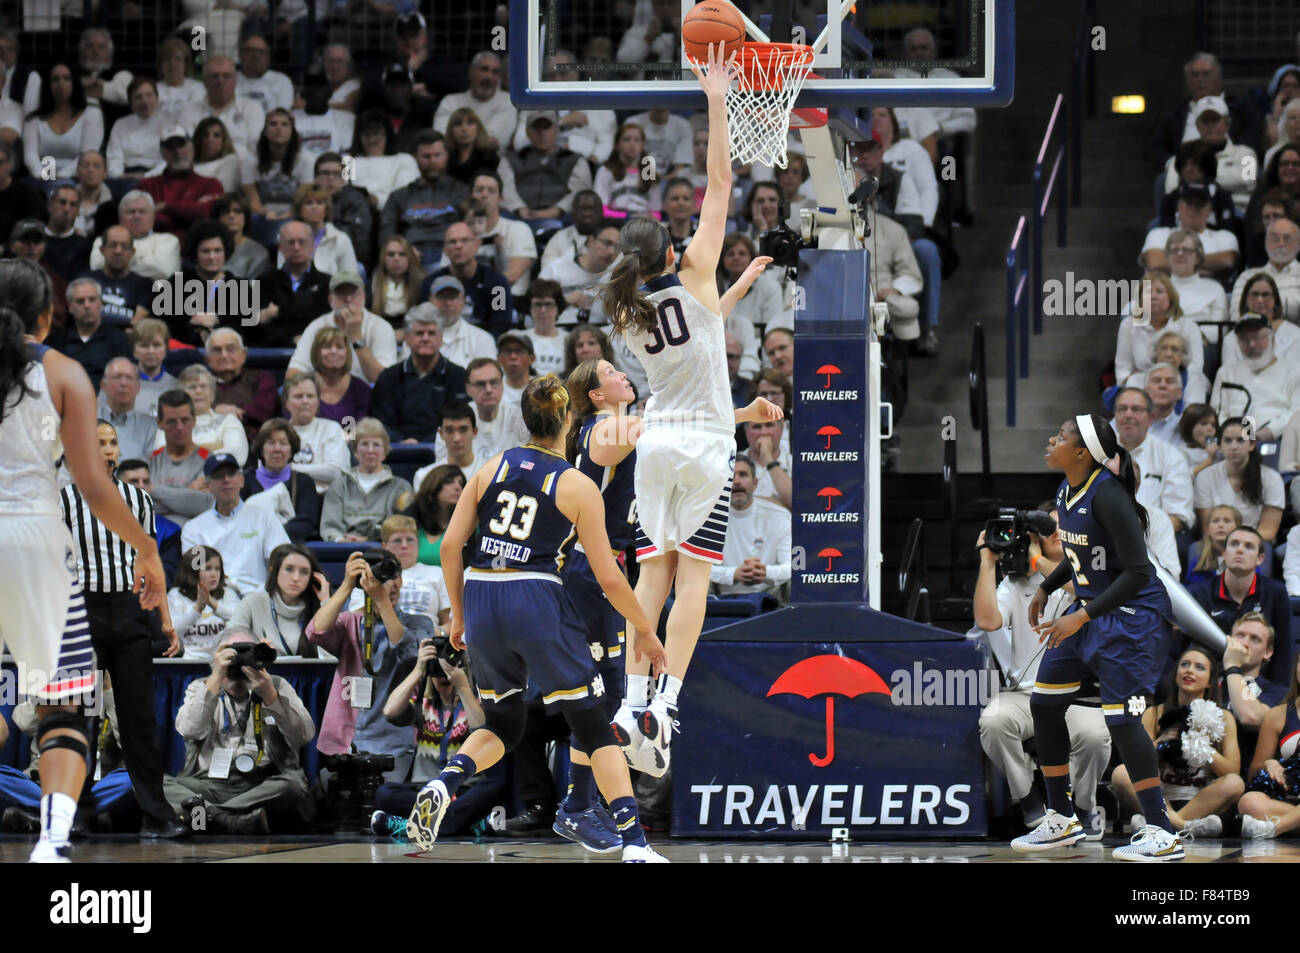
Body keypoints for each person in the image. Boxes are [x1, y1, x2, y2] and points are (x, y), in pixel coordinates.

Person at [602, 49, 785, 778]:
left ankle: (628, 699)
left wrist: (739, 284)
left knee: (652, 576)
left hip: (658, 446)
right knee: (695, 583)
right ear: (673, 250)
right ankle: (667, 697)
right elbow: (719, 179)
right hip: (709, 449)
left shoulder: (624, 310)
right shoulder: (695, 272)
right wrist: (716, 96)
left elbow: (698, 325)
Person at [405, 375, 667, 862]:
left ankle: (447, 780)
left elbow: (448, 548)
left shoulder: (488, 468)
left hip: (482, 594)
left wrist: (458, 618)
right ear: (568, 421)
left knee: (504, 725)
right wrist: (647, 632)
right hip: (535, 596)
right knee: (592, 726)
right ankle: (635, 844)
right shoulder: (575, 483)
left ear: (526, 419)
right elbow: (611, 580)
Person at [0, 257, 166, 861]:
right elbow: (96, 488)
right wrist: (146, 548)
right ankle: (51, 839)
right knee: (61, 705)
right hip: (39, 542)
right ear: (46, 315)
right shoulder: (65, 370)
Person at [1009, 415, 1184, 860]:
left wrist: (1079, 616)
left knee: (1123, 720)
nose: (1052, 439)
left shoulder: (1108, 495)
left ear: (1083, 452)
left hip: (1132, 618)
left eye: (1061, 436)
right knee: (1045, 703)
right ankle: (1061, 818)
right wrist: (1047, 589)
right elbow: (1079, 552)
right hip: (1090, 613)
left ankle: (1161, 831)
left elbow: (1139, 572)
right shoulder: (1068, 491)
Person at [61, 417, 185, 839]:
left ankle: (157, 814)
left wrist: (165, 621)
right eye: (99, 442)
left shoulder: (138, 500)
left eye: (112, 442)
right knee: (81, 717)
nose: (109, 449)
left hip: (130, 611)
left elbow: (150, 567)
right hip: (80, 613)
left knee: (138, 718)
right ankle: (75, 812)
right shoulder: (62, 502)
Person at [973, 506, 1111, 834]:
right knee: (993, 721)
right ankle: (1028, 798)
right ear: (1035, 536)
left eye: (1063, 524)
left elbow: (1087, 591)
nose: (1057, 529)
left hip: (1079, 695)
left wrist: (1039, 562)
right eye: (1050, 525)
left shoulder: (1093, 570)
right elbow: (988, 621)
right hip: (1026, 695)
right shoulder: (1018, 581)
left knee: (1095, 736)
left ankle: (1083, 805)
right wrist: (987, 563)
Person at [164, 625, 317, 834]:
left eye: (245, 655)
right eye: (231, 656)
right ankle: (234, 821)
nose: (237, 666)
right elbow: (190, 729)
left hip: (261, 785)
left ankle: (210, 816)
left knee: (294, 785)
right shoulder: (201, 686)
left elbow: (304, 735)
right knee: (155, 786)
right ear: (216, 659)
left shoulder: (276, 686)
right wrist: (216, 678)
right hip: (209, 784)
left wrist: (270, 696)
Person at [307, 550, 424, 781]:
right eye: (373, 578)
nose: (383, 585)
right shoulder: (349, 621)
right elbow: (316, 632)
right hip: (344, 740)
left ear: (400, 580)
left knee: (384, 800)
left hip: (392, 740)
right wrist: (347, 585)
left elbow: (408, 653)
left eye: (389, 578)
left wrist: (381, 601)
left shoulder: (418, 623)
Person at [369, 636, 502, 839]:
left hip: (464, 789)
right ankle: (464, 826)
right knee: (385, 792)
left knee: (493, 787)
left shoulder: (475, 703)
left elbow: (481, 729)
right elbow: (389, 711)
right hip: (425, 791)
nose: (443, 677)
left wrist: (464, 688)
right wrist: (419, 670)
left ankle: (408, 826)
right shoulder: (423, 704)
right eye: (438, 671)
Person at [1110, 644, 1243, 836]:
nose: (1190, 670)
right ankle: (1183, 827)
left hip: (1201, 798)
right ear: (1176, 673)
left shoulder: (1223, 717)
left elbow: (1232, 771)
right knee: (1121, 773)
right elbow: (1138, 762)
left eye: (1199, 667)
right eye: (1185, 664)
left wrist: (1202, 747)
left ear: (1209, 682)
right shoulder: (1154, 712)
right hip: (1160, 794)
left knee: (1235, 783)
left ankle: (1159, 824)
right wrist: (1162, 741)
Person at [181, 452, 291, 594]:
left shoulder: (265, 517)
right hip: (214, 599)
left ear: (241, 480)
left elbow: (284, 560)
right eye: (219, 476)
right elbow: (194, 575)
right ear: (208, 485)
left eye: (231, 474)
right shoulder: (193, 529)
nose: (226, 480)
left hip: (256, 597)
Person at [369, 311, 468, 444]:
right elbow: (379, 422)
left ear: (441, 339)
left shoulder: (459, 376)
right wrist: (401, 441)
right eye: (419, 333)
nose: (425, 338)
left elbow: (461, 421)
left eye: (432, 333)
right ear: (407, 339)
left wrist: (426, 442)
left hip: (444, 450)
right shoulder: (388, 377)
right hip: (395, 452)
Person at [288, 271, 397, 385]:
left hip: (369, 395)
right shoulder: (316, 327)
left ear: (363, 297)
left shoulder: (381, 327)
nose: (348, 300)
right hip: (325, 394)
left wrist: (356, 338)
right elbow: (294, 373)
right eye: (342, 294)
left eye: (354, 294)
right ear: (331, 300)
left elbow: (384, 381)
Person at [380, 130, 468, 269]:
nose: (432, 161)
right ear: (415, 158)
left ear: (446, 156)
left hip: (450, 256)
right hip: (410, 259)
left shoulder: (461, 192)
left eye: (437, 155)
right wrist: (404, 251)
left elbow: (472, 229)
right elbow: (386, 236)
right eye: (426, 156)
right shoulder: (398, 196)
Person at [1111, 387, 1194, 533]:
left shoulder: (1171, 457)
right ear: (1115, 415)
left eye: (1136, 409)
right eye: (1122, 409)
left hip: (1154, 538)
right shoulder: (1098, 453)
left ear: (1150, 418)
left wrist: (1138, 534)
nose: (1128, 415)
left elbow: (1179, 517)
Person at [710, 454, 792, 603]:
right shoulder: (709, 518)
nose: (737, 481)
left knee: (794, 583)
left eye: (743, 475)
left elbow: (795, 566)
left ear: (755, 483)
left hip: (770, 594)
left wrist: (765, 572)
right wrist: (733, 574)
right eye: (731, 476)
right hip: (722, 595)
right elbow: (695, 570)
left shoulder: (780, 516)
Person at [1236, 652, 1300, 839]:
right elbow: (1253, 772)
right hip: (1289, 801)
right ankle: (1290, 823)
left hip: (1281, 814)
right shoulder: (1278, 715)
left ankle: (1272, 828)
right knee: (1249, 802)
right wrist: (1269, 764)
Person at [1193, 417, 1285, 541]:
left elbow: (1268, 531)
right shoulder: (1205, 477)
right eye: (1228, 441)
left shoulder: (1272, 478)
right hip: (1216, 542)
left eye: (1240, 440)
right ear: (1219, 445)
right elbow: (1207, 529)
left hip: (1254, 542)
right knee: (1196, 549)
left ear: (1252, 444)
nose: (1234, 446)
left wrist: (1237, 542)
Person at [321, 418, 414, 542]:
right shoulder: (339, 486)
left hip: (384, 549)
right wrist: (341, 541)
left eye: (376, 445)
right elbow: (329, 526)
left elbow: (402, 526)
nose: (370, 450)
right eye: (364, 444)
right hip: (343, 549)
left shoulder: (401, 487)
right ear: (355, 451)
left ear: (385, 452)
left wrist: (368, 539)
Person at [227, 542, 325, 656]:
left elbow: (333, 660)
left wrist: (326, 603)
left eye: (304, 572)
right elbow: (229, 645)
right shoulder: (253, 602)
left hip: (310, 673)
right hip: (261, 672)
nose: (296, 578)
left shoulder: (318, 607)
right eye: (289, 569)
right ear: (273, 571)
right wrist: (253, 650)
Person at [1222, 611, 1289, 775]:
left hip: (1246, 780)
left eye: (1255, 639)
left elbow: (1252, 718)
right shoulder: (1207, 681)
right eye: (1240, 635)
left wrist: (1232, 667)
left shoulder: (1278, 692)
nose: (1244, 643)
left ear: (1268, 652)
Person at [423, 222, 515, 338]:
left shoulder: (497, 284)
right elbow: (424, 320)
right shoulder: (431, 284)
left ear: (477, 245)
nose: (458, 246)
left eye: (464, 240)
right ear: (445, 249)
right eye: (452, 242)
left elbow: (501, 325)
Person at [1114, 273, 1204, 389]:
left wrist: (1169, 383)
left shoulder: (1189, 326)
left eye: (1159, 291)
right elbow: (1123, 369)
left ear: (1171, 297)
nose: (1153, 296)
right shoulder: (1128, 325)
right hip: (1142, 385)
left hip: (1181, 384)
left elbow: (1195, 367)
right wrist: (1149, 381)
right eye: (1148, 292)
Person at [240, 418, 321, 543]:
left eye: (283, 443)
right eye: (271, 443)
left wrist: (275, 535)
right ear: (261, 449)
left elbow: (307, 520)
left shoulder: (303, 482)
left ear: (291, 450)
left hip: (290, 545)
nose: (277, 449)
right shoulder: (243, 480)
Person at [506, 111, 594, 224]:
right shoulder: (512, 159)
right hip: (518, 218)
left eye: (546, 127)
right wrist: (519, 209)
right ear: (528, 132)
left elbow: (580, 192)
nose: (542, 133)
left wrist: (557, 210)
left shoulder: (575, 160)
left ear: (556, 129)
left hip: (563, 219)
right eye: (536, 128)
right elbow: (505, 189)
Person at [22, 62, 104, 180]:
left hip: (79, 178)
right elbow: (30, 156)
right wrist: (43, 175)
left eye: (66, 78)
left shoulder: (92, 113)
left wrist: (62, 177)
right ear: (48, 85)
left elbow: (87, 155)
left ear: (74, 83)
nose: (61, 84)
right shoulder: (34, 118)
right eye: (55, 79)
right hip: (41, 178)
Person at [138, 126, 224, 239]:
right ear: (162, 153)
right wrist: (190, 211)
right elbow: (140, 219)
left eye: (181, 145)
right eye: (171, 147)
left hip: (197, 248)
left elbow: (206, 214)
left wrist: (165, 207)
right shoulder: (147, 185)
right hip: (155, 245)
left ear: (192, 148)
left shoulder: (211, 184)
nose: (178, 152)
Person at [49, 278, 131, 391]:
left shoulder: (119, 340)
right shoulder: (57, 340)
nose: (87, 305)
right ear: (70, 307)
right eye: (80, 301)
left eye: (92, 300)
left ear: (101, 303)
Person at [178, 55, 266, 159]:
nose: (220, 81)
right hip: (201, 167)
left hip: (240, 168)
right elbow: (187, 148)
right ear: (204, 81)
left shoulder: (252, 108)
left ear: (235, 80)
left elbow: (256, 148)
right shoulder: (189, 110)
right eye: (214, 76)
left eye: (226, 76)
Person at [148, 389, 214, 526]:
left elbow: (203, 506)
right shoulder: (149, 461)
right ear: (159, 423)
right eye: (172, 422)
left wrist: (152, 489)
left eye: (185, 420)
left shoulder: (210, 461)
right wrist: (188, 494)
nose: (179, 427)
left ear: (194, 420)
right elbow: (141, 506)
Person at [540, 222, 621, 328]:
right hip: (559, 329)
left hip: (598, 332)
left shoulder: (617, 277)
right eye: (607, 243)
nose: (611, 252)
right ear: (591, 240)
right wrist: (563, 302)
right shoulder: (555, 270)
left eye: (618, 247)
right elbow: (534, 312)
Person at [468, 171, 536, 295]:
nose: (484, 195)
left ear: (500, 198)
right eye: (479, 190)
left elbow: (513, 275)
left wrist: (478, 287)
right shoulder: (461, 232)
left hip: (508, 298)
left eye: (491, 191)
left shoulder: (518, 229)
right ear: (470, 196)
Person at [88, 191, 182, 281]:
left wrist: (117, 265)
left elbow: (163, 271)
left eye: (142, 211)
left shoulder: (168, 240)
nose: (137, 216)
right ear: (120, 217)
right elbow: (96, 267)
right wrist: (144, 258)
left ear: (153, 216)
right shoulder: (102, 240)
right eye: (131, 212)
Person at [430, 52, 516, 150]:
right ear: (471, 72)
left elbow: (491, 142)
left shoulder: (507, 101)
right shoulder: (450, 102)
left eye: (495, 72)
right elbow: (440, 139)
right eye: (484, 69)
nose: (489, 77)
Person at [207, 327, 280, 440]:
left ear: (244, 354)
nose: (224, 355)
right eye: (217, 350)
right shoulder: (201, 383)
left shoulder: (262, 379)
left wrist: (218, 412)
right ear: (208, 359)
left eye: (230, 349)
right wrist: (215, 410)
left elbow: (262, 412)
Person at [282, 372, 350, 492]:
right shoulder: (277, 431)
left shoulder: (332, 428)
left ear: (318, 401)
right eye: (298, 396)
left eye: (310, 396)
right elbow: (267, 471)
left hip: (325, 501)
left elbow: (335, 472)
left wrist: (289, 469)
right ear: (286, 403)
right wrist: (318, 472)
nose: (305, 401)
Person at [168, 364, 249, 465]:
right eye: (192, 387)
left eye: (203, 386)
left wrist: (186, 451)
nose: (198, 391)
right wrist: (217, 446)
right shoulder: (168, 424)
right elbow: (164, 459)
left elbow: (237, 456)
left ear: (212, 394)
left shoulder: (229, 421)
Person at [170, 544, 240, 660]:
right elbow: (174, 633)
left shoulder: (228, 594)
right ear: (192, 571)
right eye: (207, 568)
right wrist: (198, 608)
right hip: (187, 663)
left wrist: (212, 603)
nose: (214, 574)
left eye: (217, 569)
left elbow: (239, 621)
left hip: (223, 661)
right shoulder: (176, 595)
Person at [346, 109, 419, 213]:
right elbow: (343, 191)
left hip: (393, 217)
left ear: (387, 135)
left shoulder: (404, 160)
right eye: (367, 135)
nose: (372, 140)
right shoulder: (349, 161)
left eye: (376, 134)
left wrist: (378, 202)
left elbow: (406, 195)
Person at [1221, 272, 1300, 368]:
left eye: (1265, 295)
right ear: (1245, 299)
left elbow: (1294, 372)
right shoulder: (1231, 338)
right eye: (1254, 294)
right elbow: (1230, 373)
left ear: (1275, 300)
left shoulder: (1295, 334)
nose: (1260, 300)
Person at [1228, 219, 1300, 324]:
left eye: (1287, 239)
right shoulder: (1247, 276)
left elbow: (1248, 308)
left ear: (1298, 243)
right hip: (1252, 334)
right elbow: (1237, 314)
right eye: (1275, 239)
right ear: (1266, 242)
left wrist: (1259, 307)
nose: (1281, 243)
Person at [415, 278, 496, 370]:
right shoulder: (414, 337)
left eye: (453, 297)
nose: (448, 303)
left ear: (464, 301)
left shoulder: (482, 339)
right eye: (442, 297)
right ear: (430, 300)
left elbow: (487, 378)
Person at [314, 151, 373, 268]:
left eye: (336, 173)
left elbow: (358, 240)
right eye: (325, 173)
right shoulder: (307, 199)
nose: (330, 178)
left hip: (347, 257)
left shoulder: (355, 200)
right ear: (315, 178)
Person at [89, 226, 154, 328]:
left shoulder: (144, 285)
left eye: (124, 246)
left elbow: (137, 322)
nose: (118, 251)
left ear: (132, 252)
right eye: (112, 245)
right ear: (102, 250)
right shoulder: (86, 281)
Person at [594, 123, 661, 216]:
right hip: (614, 223)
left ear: (642, 146)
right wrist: (627, 217)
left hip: (644, 224)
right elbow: (601, 210)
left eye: (637, 140)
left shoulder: (649, 172)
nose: (632, 144)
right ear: (617, 145)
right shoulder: (605, 171)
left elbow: (656, 212)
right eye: (627, 139)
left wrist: (649, 219)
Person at [405, 464, 465, 568]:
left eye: (461, 484)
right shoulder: (410, 517)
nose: (457, 487)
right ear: (433, 484)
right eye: (449, 482)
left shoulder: (470, 522)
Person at [97, 357, 158, 459]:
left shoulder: (151, 427)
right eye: (117, 377)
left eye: (129, 378)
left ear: (138, 387)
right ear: (103, 385)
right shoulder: (87, 423)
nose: (123, 383)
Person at [309, 326, 372, 425]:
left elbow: (360, 431)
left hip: (347, 439)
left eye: (340, 347)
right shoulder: (301, 386)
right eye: (327, 346)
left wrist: (342, 439)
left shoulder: (361, 389)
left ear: (347, 353)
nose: (334, 351)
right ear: (316, 352)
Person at [106, 76, 167, 177]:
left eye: (149, 95)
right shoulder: (120, 124)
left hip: (157, 176)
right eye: (138, 97)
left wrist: (146, 176)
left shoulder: (169, 123)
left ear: (157, 98)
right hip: (125, 177)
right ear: (130, 102)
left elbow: (167, 160)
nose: (144, 101)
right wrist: (119, 176)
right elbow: (114, 158)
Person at [372, 235, 426, 331]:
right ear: (384, 260)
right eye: (391, 254)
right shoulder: (373, 286)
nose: (396, 259)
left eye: (402, 254)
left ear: (409, 258)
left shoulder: (421, 285)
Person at [211, 193, 270, 280]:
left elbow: (255, 290)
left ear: (245, 217)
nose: (231, 215)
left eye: (237, 211)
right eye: (226, 212)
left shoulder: (258, 252)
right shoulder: (207, 248)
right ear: (218, 218)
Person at [1185, 504, 1241, 587]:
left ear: (1238, 529)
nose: (1220, 525)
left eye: (1227, 521)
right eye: (1215, 521)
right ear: (1207, 530)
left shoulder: (1246, 558)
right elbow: (1191, 590)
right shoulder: (1199, 561)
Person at [130, 319, 178, 414]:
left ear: (166, 349)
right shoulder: (119, 384)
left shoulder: (176, 386)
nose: (151, 351)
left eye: (157, 345)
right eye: (144, 346)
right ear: (134, 351)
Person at [192, 117, 243, 193]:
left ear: (224, 140)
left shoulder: (231, 160)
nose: (210, 140)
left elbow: (223, 191)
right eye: (205, 135)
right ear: (199, 139)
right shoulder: (188, 164)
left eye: (216, 135)